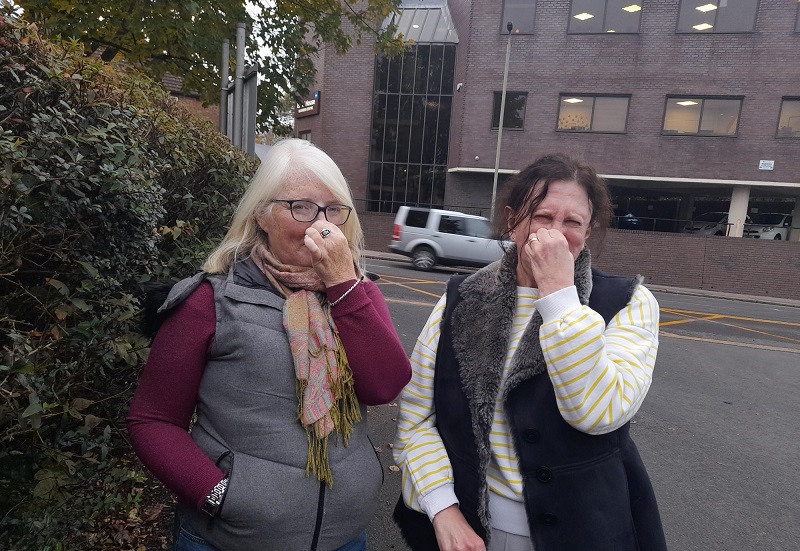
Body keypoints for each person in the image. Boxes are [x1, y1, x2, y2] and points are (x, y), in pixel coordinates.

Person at [128, 138, 412, 551]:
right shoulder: (209, 301)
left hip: (343, 538)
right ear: (262, 214)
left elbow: (384, 387)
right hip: (228, 541)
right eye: (301, 207)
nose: (321, 225)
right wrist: (218, 495)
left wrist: (343, 285)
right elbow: (153, 420)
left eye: (334, 209)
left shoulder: (357, 295)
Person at [392, 153, 667, 551]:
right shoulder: (461, 298)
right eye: (542, 216)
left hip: (584, 530)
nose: (556, 233)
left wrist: (559, 293)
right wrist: (442, 510)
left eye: (573, 222)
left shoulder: (630, 302)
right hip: (472, 526)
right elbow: (417, 418)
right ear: (513, 220)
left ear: (588, 232)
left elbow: (597, 412)